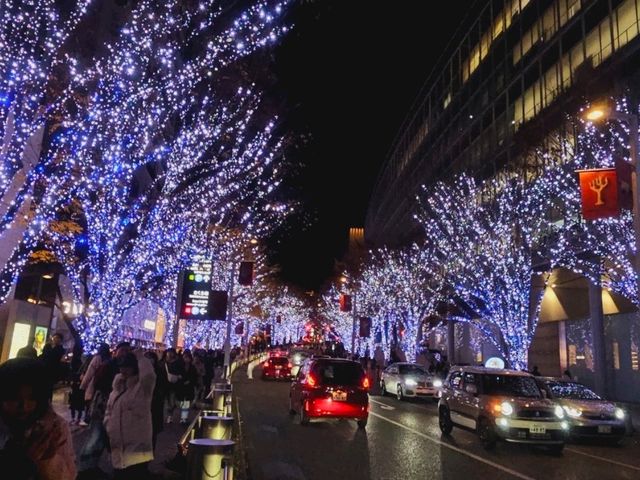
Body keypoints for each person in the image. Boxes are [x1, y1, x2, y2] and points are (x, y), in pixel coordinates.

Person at [0, 358, 76, 480]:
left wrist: (43, 462)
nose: (23, 405)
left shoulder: (54, 428)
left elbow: (66, 474)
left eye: (31, 398)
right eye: (14, 397)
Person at [77, 342, 130, 479]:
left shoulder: (125, 366)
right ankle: (85, 467)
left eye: (127, 351)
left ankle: (92, 466)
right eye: (122, 350)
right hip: (103, 404)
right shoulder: (108, 365)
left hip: (115, 406)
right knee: (97, 434)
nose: (124, 353)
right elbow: (98, 382)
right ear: (116, 351)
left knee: (105, 436)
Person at [104, 350, 155, 479]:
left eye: (127, 367)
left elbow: (149, 375)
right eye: (121, 366)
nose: (124, 370)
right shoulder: (117, 388)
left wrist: (140, 357)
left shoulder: (142, 388)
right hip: (118, 446)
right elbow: (109, 410)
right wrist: (108, 425)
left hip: (137, 448)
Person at [160, 348, 184, 424]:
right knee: (166, 401)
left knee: (172, 401)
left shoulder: (178, 363)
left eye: (171, 353)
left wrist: (179, 376)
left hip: (174, 385)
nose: (170, 354)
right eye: (168, 352)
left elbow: (181, 372)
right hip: (164, 385)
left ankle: (170, 415)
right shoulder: (163, 362)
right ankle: (168, 416)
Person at [178, 351, 198, 424]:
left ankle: (184, 418)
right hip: (181, 387)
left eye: (187, 357)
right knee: (180, 403)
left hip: (189, 388)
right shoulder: (180, 366)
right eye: (184, 357)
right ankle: (183, 417)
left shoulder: (192, 367)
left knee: (186, 403)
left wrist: (190, 381)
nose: (186, 359)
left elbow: (194, 377)